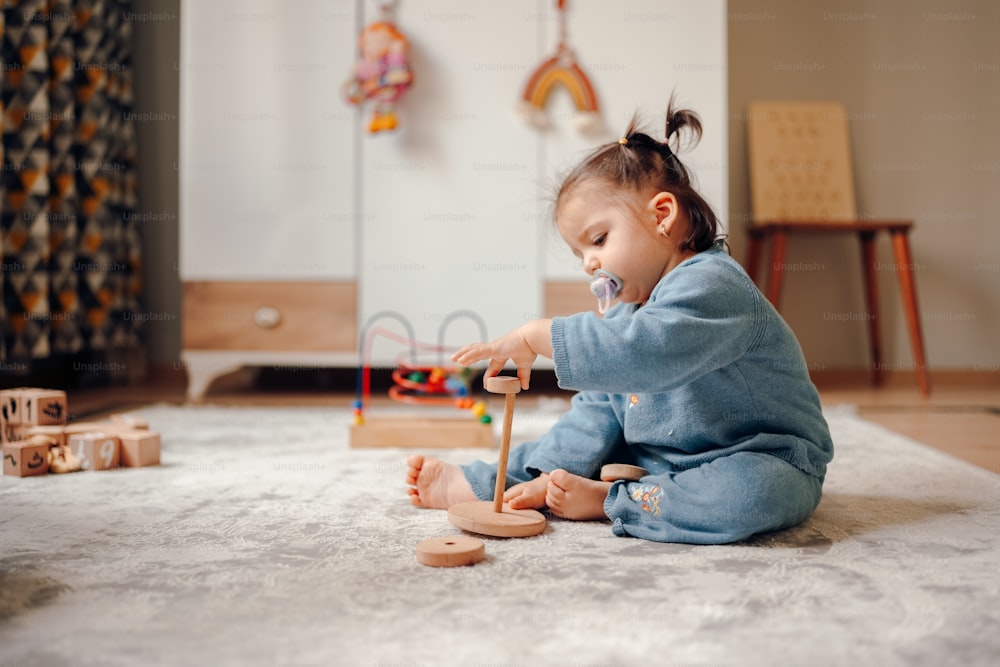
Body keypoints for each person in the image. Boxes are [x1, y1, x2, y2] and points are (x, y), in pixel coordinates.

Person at [405, 98, 834, 544]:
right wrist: (555, 467)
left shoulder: (714, 286)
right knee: (584, 430)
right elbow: (600, 409)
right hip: (655, 459)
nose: (590, 264)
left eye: (599, 240)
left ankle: (616, 500)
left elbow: (644, 350)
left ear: (662, 215)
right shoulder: (631, 308)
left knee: (753, 494)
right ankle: (492, 483)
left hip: (758, 456)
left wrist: (538, 335)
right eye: (580, 254)